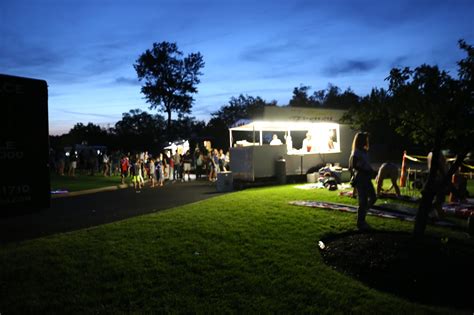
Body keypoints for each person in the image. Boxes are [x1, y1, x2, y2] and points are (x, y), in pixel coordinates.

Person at [349, 132, 376, 231]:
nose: (366, 141)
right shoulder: (356, 152)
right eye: (365, 139)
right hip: (361, 177)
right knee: (363, 200)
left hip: (366, 176)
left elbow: (365, 164)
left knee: (373, 197)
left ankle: (362, 215)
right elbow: (354, 165)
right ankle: (361, 221)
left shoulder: (364, 151)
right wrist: (365, 170)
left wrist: (371, 170)